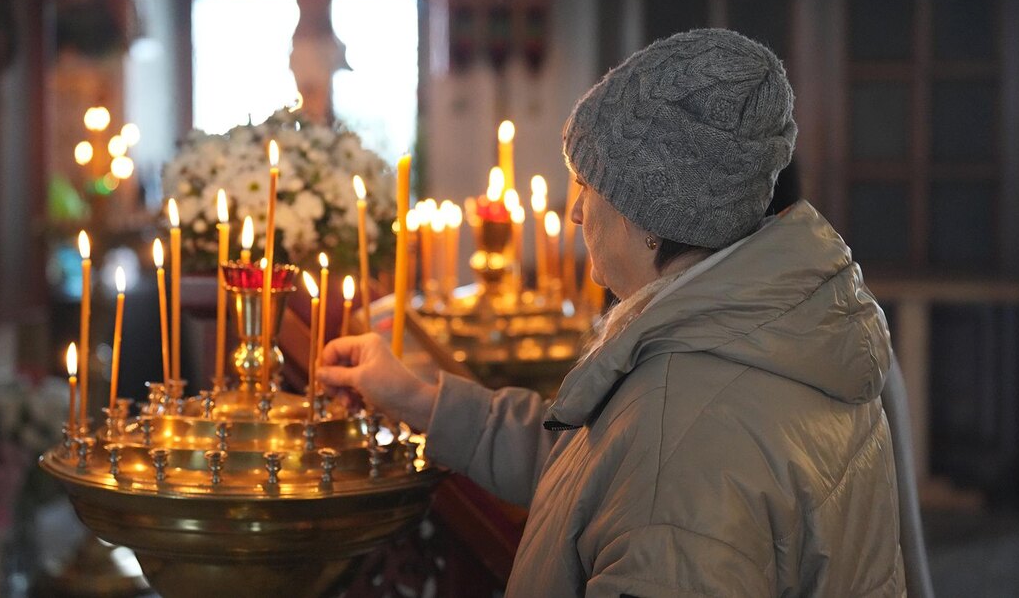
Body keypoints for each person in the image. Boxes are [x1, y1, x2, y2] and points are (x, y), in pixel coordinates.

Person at [319, 29, 905, 597]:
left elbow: (659, 481)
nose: (576, 212)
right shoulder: (769, 333)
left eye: (586, 185)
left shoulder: (680, 437)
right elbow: (594, 471)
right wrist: (417, 400)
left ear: (648, 217)